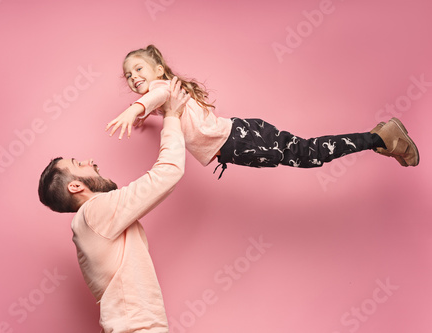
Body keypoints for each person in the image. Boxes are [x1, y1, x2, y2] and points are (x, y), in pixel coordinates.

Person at [106, 44, 420, 179]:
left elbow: (156, 95)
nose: (134, 78)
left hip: (238, 142)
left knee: (310, 154)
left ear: (158, 69)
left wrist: (134, 111)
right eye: (129, 75)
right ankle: (379, 138)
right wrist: (147, 114)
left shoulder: (163, 88)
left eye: (139, 69)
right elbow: (162, 103)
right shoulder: (168, 94)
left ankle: (379, 137)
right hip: (242, 132)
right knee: (307, 151)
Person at [38, 78, 189, 333]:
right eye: (79, 164)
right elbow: (167, 174)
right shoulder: (95, 212)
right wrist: (172, 116)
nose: (90, 161)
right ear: (75, 186)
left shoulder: (89, 223)